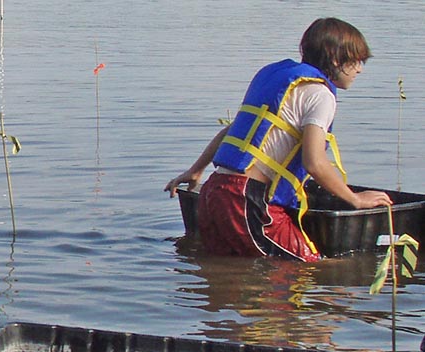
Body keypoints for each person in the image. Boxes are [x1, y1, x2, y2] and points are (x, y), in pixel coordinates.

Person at [165, 17, 391, 261]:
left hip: (214, 191)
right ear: (336, 59)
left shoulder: (280, 80)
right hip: (246, 199)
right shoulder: (320, 95)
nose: (360, 69)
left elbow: (231, 131)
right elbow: (314, 162)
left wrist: (196, 170)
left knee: (228, 273)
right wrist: (354, 199)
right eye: (356, 61)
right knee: (310, 266)